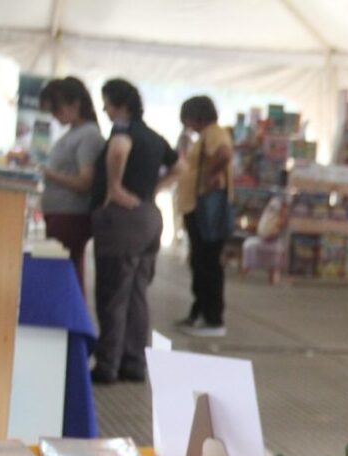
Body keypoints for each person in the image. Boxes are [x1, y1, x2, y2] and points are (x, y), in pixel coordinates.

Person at [89, 78, 185, 385]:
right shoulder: (155, 137)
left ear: (120, 105)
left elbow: (118, 150)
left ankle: (107, 363)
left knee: (112, 293)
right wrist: (154, 190)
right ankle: (134, 361)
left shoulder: (122, 130)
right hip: (148, 216)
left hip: (121, 220)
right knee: (137, 292)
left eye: (106, 102)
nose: (104, 108)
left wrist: (115, 187)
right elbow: (180, 167)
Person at [39, 77, 105, 294]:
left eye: (57, 109)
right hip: (60, 214)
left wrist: (48, 173)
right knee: (64, 273)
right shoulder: (73, 134)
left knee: (67, 275)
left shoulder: (88, 135)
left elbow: (85, 181)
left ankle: (73, 325)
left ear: (75, 104)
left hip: (71, 216)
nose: (55, 116)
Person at [176, 95, 233, 338]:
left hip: (206, 209)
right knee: (200, 261)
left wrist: (210, 176)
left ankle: (213, 317)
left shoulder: (214, 133)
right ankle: (199, 312)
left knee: (207, 263)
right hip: (196, 208)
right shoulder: (205, 136)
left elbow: (224, 153)